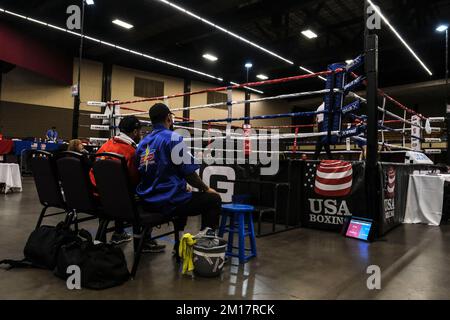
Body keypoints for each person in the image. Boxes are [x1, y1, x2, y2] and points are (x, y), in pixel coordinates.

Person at [136, 103, 222, 249]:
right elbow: (189, 173)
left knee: (184, 192)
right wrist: (206, 188)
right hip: (167, 202)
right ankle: (206, 244)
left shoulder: (142, 143)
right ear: (169, 117)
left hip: (147, 201)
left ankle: (180, 242)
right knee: (213, 199)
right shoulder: (173, 138)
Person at [90, 116, 165, 252]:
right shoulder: (131, 152)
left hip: (98, 197)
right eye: (140, 132)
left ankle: (119, 233)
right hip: (120, 203)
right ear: (135, 132)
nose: (141, 135)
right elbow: (137, 180)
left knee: (118, 186)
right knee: (148, 192)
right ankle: (144, 241)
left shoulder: (105, 146)